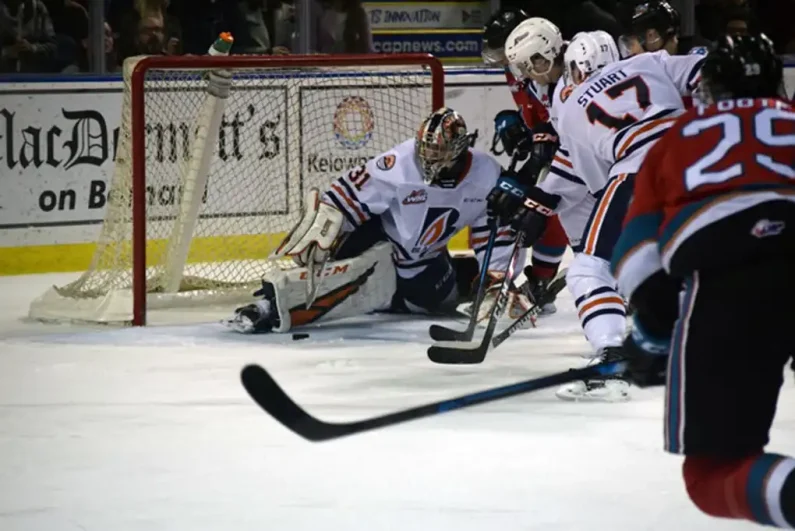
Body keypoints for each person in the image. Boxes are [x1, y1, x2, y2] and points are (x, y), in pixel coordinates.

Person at [610, 33, 795, 528]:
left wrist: (653, 330)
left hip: (726, 285)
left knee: (713, 475)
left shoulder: (681, 134)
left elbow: (636, 251)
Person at [489, 30, 704, 401]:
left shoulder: (570, 105)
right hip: (702, 159)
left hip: (641, 168)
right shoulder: (648, 61)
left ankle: (611, 356)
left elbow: (590, 178)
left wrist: (539, 204)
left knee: (590, 268)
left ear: (576, 67)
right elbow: (707, 70)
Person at [224, 108, 522, 334]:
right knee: (349, 278)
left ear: (458, 151)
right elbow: (346, 198)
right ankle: (269, 307)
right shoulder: (400, 163)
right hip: (380, 238)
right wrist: (326, 227)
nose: (428, 157)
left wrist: (497, 280)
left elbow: (492, 233)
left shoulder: (486, 174)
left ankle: (478, 284)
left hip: (422, 266)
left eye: (438, 151)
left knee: (433, 301)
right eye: (425, 148)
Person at [480, 9, 572, 316]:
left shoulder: (563, 68)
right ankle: (540, 283)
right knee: (539, 207)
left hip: (582, 149)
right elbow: (541, 114)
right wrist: (526, 130)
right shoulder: (523, 69)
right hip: (562, 144)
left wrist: (543, 147)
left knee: (549, 209)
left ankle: (545, 280)